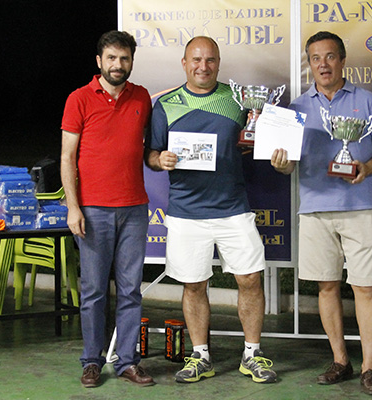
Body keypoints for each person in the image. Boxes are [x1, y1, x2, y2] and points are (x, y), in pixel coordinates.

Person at [145, 36, 277, 385]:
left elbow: (255, 141)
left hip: (233, 207)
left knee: (250, 279)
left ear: (219, 63)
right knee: (194, 285)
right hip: (186, 211)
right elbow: (151, 154)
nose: (203, 66)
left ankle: (252, 354)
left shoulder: (238, 100)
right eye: (196, 59)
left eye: (210, 60)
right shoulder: (165, 104)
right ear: (184, 63)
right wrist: (160, 159)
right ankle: (200, 356)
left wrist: (271, 146)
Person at [271, 31, 372, 395]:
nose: (323, 64)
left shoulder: (367, 101)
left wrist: (367, 168)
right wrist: (281, 165)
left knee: (365, 286)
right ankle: (341, 360)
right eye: (315, 58)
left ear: (342, 60)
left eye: (329, 57)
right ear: (309, 64)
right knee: (326, 285)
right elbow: (288, 163)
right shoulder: (295, 108)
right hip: (314, 208)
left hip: (359, 207)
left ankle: (369, 366)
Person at [61, 31, 154, 387]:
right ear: (99, 61)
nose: (118, 65)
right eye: (112, 58)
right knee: (94, 291)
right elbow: (67, 158)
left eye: (124, 58)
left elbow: (148, 148)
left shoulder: (141, 97)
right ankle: (91, 360)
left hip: (134, 208)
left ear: (132, 61)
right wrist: (73, 207)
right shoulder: (79, 99)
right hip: (93, 210)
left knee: (130, 290)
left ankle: (127, 361)